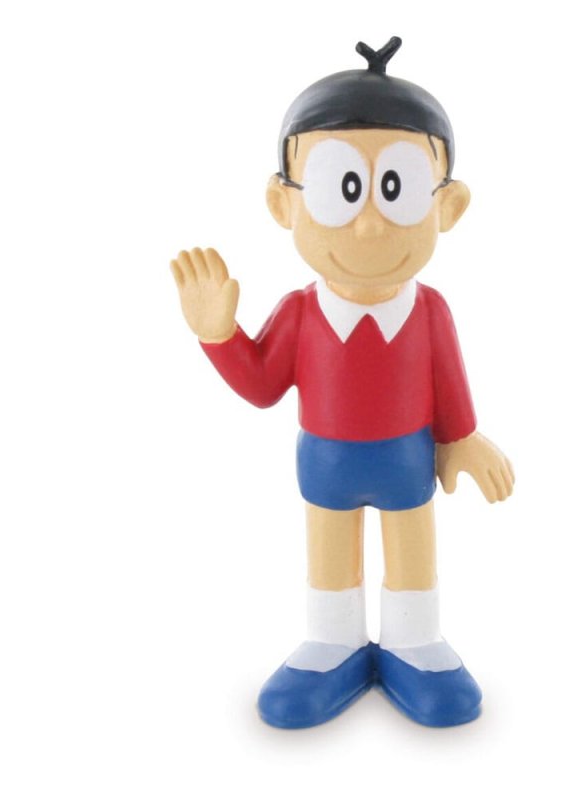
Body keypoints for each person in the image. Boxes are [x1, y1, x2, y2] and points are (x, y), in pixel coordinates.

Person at [170, 37, 514, 728]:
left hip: (408, 461)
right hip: (325, 462)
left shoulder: (430, 312)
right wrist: (218, 335)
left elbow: (450, 386)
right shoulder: (301, 314)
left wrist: (463, 439)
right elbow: (263, 385)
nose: (368, 226)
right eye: (341, 190)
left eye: (399, 191)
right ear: (284, 203)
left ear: (447, 206)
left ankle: (415, 641)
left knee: (412, 546)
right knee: (328, 549)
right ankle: (334, 642)